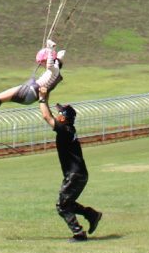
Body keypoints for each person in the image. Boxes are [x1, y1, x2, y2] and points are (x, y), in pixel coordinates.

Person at [38, 89, 102, 241]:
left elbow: (46, 116)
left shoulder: (64, 130)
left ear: (64, 118)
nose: (57, 114)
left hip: (75, 174)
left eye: (60, 113)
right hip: (77, 173)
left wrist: (41, 99)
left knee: (62, 206)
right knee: (67, 203)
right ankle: (91, 214)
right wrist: (45, 95)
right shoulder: (67, 129)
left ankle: (79, 233)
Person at [0, 40, 65, 127]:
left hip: (29, 91)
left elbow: (50, 65)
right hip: (31, 96)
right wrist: (52, 51)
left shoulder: (54, 69)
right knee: (0, 98)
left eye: (42, 62)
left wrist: (51, 50)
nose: (41, 64)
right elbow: (56, 61)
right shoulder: (56, 72)